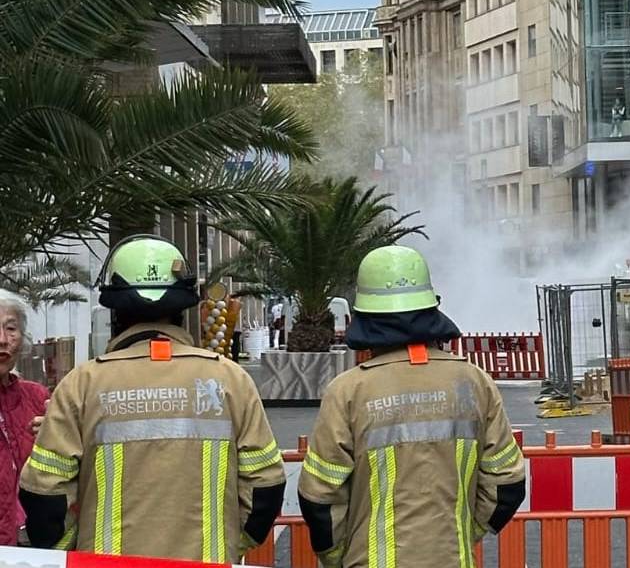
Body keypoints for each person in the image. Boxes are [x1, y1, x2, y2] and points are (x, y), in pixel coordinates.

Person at [19, 235, 285, 560]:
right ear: (182, 307)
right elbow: (266, 486)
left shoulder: (83, 385)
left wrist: (72, 551)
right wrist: (230, 542)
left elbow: (45, 495)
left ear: (114, 310)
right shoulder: (230, 380)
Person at [298, 245, 526, 568]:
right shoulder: (474, 382)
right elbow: (507, 483)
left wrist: (339, 556)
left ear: (365, 318)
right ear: (432, 308)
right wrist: (462, 533)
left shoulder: (348, 391)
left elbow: (319, 497)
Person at [0, 290, 50, 547]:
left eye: (11, 328)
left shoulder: (38, 397)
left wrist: (55, 437)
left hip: (34, 545)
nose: (2, 340)